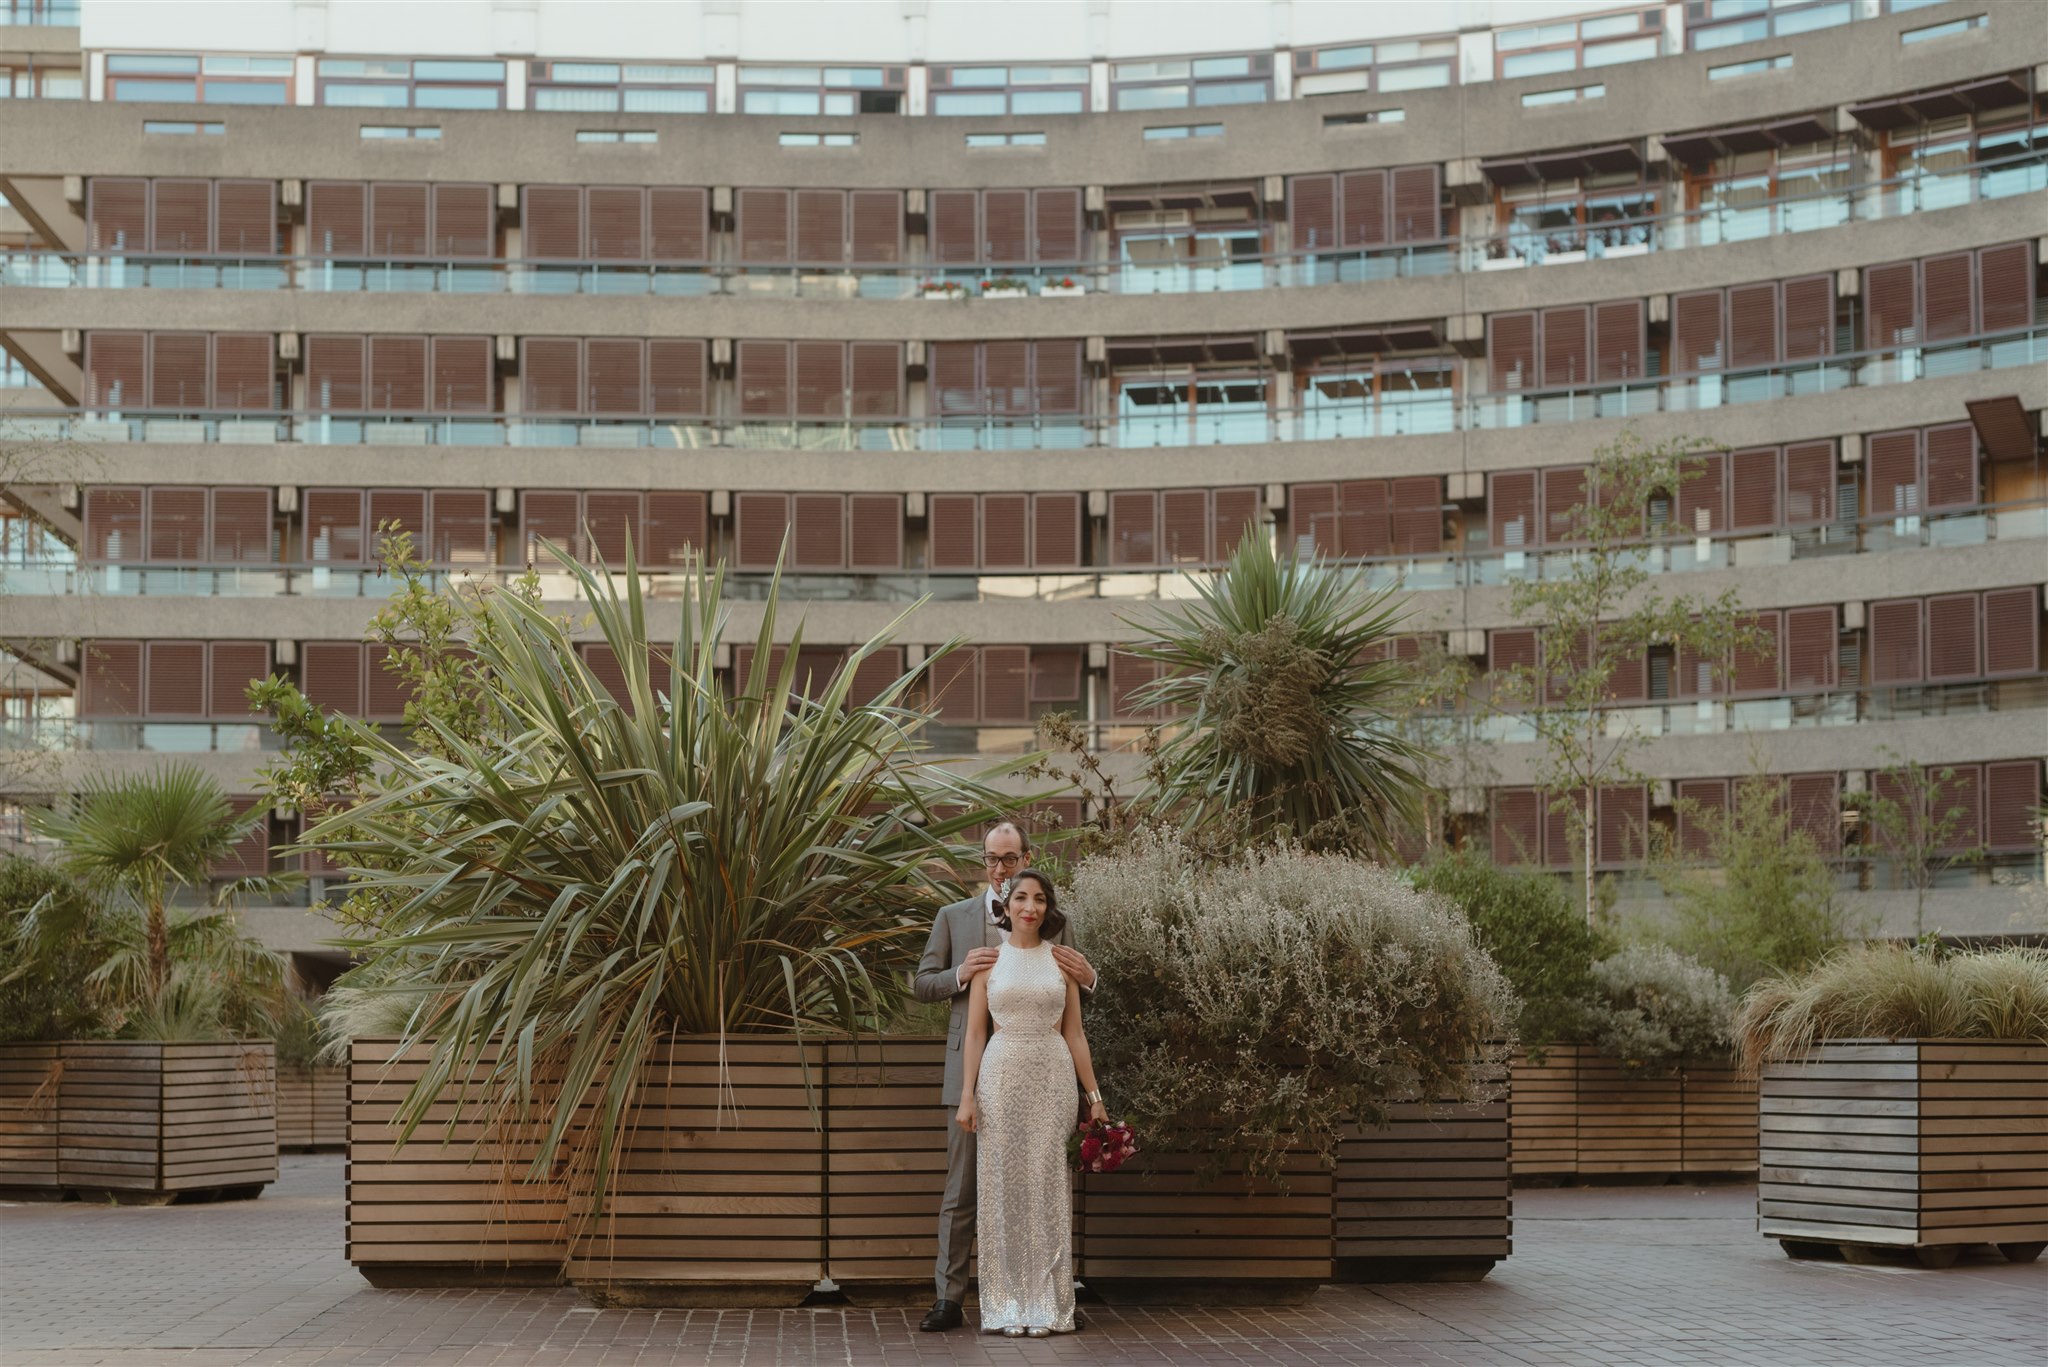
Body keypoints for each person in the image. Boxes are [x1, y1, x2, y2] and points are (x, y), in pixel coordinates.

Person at [913, 821, 1096, 1334]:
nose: (999, 868)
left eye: (1009, 858)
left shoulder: (1054, 920)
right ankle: (949, 1300)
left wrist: (1092, 977)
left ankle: (1046, 1295)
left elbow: (1073, 988)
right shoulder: (954, 917)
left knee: (1040, 1185)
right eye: (991, 859)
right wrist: (960, 973)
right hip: (974, 1075)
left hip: (1041, 1075)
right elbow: (921, 984)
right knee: (963, 1189)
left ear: (1026, 857)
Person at [954, 868, 1105, 1337]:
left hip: (1053, 1078)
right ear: (1006, 905)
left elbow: (1075, 1033)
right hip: (999, 1078)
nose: (1030, 907)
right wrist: (967, 1097)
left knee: (1047, 1188)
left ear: (1048, 908)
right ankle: (1004, 1304)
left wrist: (1094, 1098)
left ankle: (1048, 1304)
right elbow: (976, 1033)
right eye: (1021, 897)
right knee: (1001, 1190)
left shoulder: (1063, 962)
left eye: (1039, 899)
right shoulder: (986, 963)